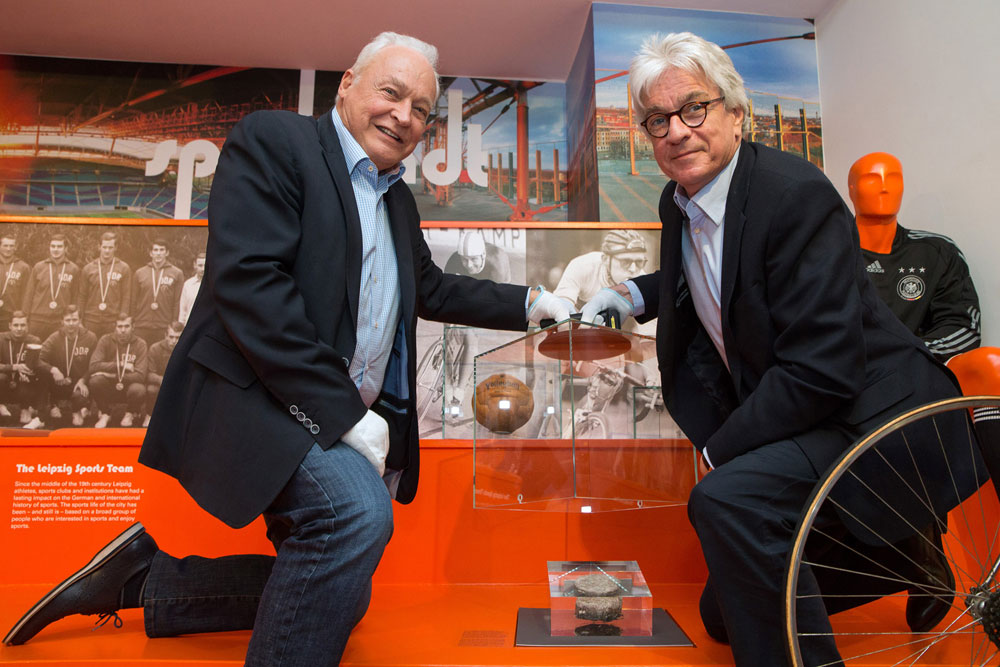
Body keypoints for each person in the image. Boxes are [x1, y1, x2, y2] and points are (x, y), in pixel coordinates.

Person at [2, 32, 571, 664]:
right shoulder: (278, 141)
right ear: (347, 84)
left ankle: (145, 580)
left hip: (323, 415)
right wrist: (344, 413)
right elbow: (250, 285)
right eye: (391, 92)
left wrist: (531, 302)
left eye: (421, 109)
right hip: (262, 400)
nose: (404, 116)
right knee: (356, 515)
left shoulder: (397, 200)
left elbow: (430, 287)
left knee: (342, 592)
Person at [580, 32, 983, 666]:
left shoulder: (794, 194)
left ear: (736, 114)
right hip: (809, 409)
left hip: (869, 409)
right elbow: (713, 273)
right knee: (721, 618)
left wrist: (722, 450)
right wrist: (632, 293)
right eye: (657, 120)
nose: (677, 131)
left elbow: (823, 368)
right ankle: (908, 555)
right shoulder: (680, 198)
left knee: (723, 497)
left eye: (693, 109)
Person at [848, 151, 981, 361]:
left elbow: (962, 326)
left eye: (894, 179)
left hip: (913, 368)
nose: (884, 188)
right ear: (852, 190)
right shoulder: (828, 251)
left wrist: (908, 353)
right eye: (871, 179)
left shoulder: (936, 252)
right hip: (845, 370)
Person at [554, 228, 648, 309]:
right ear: (605, 259)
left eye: (639, 262)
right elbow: (561, 306)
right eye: (625, 262)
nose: (633, 269)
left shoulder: (642, 277)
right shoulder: (582, 266)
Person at [38, 305, 97, 427]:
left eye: (74, 320)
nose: (71, 324)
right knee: (41, 372)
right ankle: (52, 405)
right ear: (62, 321)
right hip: (59, 381)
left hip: (78, 383)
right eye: (67, 320)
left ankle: (78, 409)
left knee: (81, 395)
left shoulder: (90, 337)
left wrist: (83, 380)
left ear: (80, 320)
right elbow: (38, 359)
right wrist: (53, 370)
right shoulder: (54, 337)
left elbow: (94, 364)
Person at [87, 313, 147, 428]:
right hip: (109, 386)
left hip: (129, 386)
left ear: (133, 327)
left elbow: (141, 376)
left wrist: (112, 375)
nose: (123, 330)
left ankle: (130, 412)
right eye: (120, 326)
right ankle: (105, 412)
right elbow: (93, 366)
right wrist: (120, 364)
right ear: (115, 327)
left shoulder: (140, 344)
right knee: (96, 381)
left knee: (139, 389)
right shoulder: (105, 340)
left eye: (126, 326)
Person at [24, 234, 80, 341]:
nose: (55, 249)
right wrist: (25, 318)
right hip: (38, 318)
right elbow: (28, 295)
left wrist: (71, 318)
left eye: (59, 246)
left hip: (59, 320)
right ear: (49, 247)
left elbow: (75, 296)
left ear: (65, 249)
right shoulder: (39, 267)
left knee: (59, 349)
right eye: (53, 246)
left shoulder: (73, 269)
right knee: (34, 347)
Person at [130, 239, 183, 346]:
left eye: (162, 250)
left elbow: (177, 301)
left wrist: (173, 323)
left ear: (167, 253)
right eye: (155, 250)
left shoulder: (176, 273)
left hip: (164, 325)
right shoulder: (140, 273)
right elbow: (133, 300)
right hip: (142, 324)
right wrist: (133, 320)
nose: (158, 253)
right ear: (151, 253)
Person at [79, 232, 132, 338]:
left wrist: (122, 320)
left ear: (115, 248)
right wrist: (79, 319)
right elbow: (82, 296)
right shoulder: (88, 268)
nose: (107, 251)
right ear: (99, 247)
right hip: (91, 319)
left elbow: (126, 296)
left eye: (110, 247)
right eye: (104, 247)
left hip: (113, 320)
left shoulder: (123, 268)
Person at [0, 311, 43, 428]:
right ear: (10, 325)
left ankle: (26, 408)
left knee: (31, 379)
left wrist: (31, 373)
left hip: (23, 382)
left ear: (28, 326)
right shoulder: (1, 338)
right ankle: (1, 404)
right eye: (16, 325)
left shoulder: (34, 341)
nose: (19, 329)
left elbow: (38, 365)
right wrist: (13, 367)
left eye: (22, 325)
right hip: (5, 380)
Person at [143, 320, 182, 427]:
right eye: (171, 337)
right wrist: (164, 380)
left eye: (178, 337)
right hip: (160, 383)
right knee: (151, 389)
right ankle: (150, 415)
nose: (174, 341)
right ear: (165, 335)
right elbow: (149, 374)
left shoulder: (187, 348)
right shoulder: (155, 348)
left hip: (180, 382)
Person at [443, 231, 511, 282]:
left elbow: (499, 294)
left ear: (483, 255)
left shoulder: (497, 264)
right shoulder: (455, 259)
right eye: (465, 259)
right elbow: (446, 286)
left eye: (474, 259)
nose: (469, 265)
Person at [0, 234, 31, 331]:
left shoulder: (23, 267)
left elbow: (27, 293)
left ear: (15, 247)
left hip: (11, 316)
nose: (8, 249)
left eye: (11, 246)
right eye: (5, 245)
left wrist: (23, 314)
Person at [177, 252, 204, 325]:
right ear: (195, 265)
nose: (203, 269)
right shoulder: (188, 284)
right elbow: (183, 309)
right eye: (200, 265)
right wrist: (181, 324)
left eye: (205, 265)